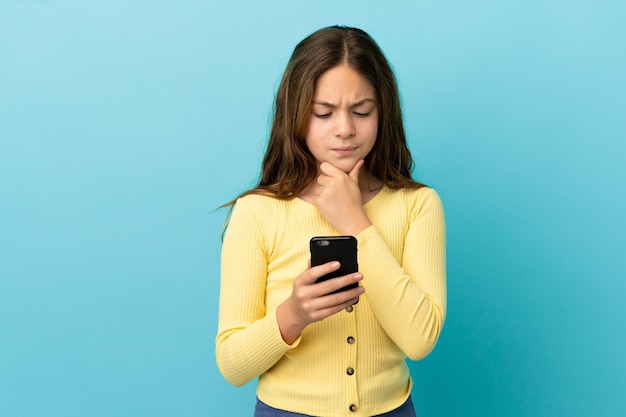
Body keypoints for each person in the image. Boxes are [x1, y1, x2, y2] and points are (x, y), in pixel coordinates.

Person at [216, 25, 446, 417]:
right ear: (297, 115)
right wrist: (294, 314)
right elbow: (233, 365)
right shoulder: (258, 212)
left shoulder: (418, 204)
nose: (345, 129)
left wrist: (355, 220)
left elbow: (420, 339)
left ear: (383, 111)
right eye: (323, 113)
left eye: (361, 111)